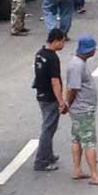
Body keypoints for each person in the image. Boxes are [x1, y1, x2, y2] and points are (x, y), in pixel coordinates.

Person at [66, 35, 98, 186]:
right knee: (89, 142)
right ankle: (95, 175)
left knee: (77, 139)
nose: (95, 50)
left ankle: (77, 169)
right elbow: (73, 89)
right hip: (83, 109)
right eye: (93, 48)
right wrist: (67, 104)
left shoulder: (79, 63)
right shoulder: (77, 65)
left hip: (80, 108)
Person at [32, 28, 67, 172]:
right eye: (62, 41)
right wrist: (61, 101)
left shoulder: (40, 53)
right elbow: (55, 81)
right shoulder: (53, 58)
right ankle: (41, 161)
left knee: (49, 126)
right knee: (48, 129)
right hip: (50, 97)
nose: (63, 45)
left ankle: (49, 154)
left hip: (41, 94)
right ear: (56, 41)